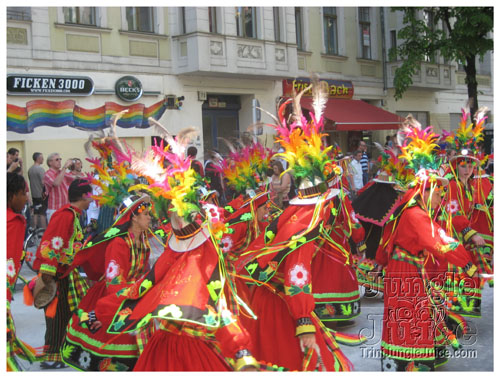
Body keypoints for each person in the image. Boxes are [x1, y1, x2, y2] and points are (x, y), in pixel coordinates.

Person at [104, 130, 260, 371]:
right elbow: (219, 310)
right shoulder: (198, 261)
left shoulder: (170, 256)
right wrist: (243, 354)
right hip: (187, 350)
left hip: (162, 348)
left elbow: (140, 288)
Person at [377, 126, 478, 371]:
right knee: (409, 316)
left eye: (443, 190)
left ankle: (418, 359)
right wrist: (467, 264)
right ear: (427, 190)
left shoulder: (418, 212)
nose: (441, 195)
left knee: (418, 314)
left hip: (410, 269)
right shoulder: (415, 215)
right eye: (438, 191)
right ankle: (409, 364)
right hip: (406, 273)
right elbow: (440, 241)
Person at [61, 195, 153, 371]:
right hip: (115, 296)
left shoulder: (144, 242)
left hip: (133, 293)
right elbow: (115, 281)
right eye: (146, 214)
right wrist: (133, 294)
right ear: (133, 216)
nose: (150, 218)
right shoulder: (118, 243)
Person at [32, 178, 93, 369]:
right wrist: (48, 273)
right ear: (84, 196)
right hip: (57, 275)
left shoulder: (73, 215)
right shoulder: (65, 215)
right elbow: (52, 242)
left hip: (66, 273)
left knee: (66, 315)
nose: (92, 200)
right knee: (56, 316)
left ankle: (63, 353)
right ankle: (51, 357)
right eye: (90, 196)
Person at [7, 172, 41, 370]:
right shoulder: (13, 222)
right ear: (11, 195)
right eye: (23, 193)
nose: (26, 198)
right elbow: (8, 263)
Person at [43, 152, 75, 223]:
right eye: (57, 159)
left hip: (66, 208)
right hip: (55, 210)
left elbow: (74, 179)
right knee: (55, 233)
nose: (60, 161)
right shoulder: (47, 174)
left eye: (60, 159)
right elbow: (56, 183)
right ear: (50, 162)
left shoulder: (62, 172)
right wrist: (65, 167)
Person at [28, 152, 48, 229]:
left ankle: (33, 227)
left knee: (36, 211)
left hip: (34, 194)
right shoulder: (40, 169)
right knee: (42, 213)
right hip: (41, 194)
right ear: (38, 159)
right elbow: (44, 182)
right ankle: (43, 230)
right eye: (42, 158)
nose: (43, 159)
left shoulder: (30, 169)